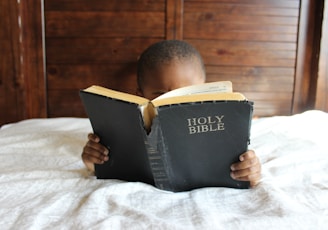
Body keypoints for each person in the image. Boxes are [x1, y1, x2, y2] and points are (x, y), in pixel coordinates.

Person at [82, 40, 261, 187]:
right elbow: (102, 165)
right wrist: (93, 160)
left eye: (188, 93)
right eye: (161, 95)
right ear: (141, 96)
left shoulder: (221, 125)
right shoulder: (127, 128)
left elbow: (245, 170)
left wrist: (249, 171)